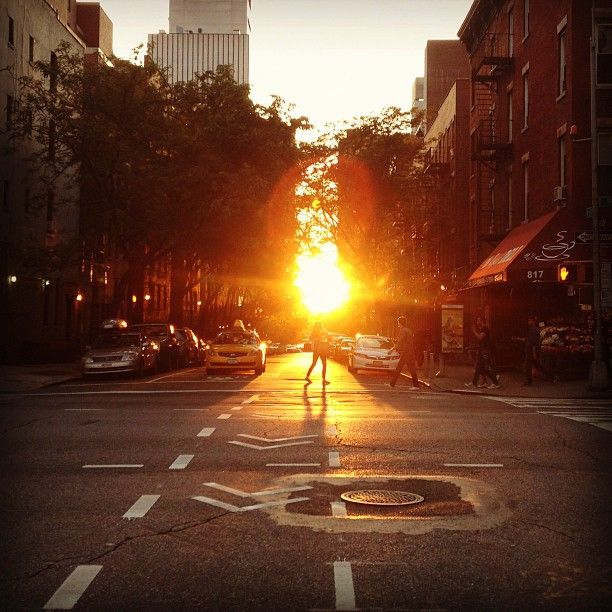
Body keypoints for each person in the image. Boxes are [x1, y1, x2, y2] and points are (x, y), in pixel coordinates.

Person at [465, 316, 500, 389]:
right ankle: (475, 382)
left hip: (486, 351)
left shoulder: (485, 329)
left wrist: (474, 331)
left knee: (486, 368)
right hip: (482, 350)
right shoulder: (482, 329)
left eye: (478, 320)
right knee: (478, 367)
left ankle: (495, 382)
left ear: (482, 321)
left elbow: (480, 338)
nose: (477, 322)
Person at [389, 316, 419, 390]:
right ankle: (392, 384)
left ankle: (416, 386)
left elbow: (400, 341)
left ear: (400, 323)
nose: (398, 324)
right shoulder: (407, 330)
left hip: (407, 352)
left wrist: (392, 349)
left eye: (398, 322)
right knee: (406, 368)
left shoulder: (404, 330)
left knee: (404, 368)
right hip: (408, 351)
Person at [524, 315, 554, 386]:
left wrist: (534, 353)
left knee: (528, 366)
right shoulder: (534, 329)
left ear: (533, 321)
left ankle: (529, 381)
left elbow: (534, 342)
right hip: (530, 350)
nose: (528, 322)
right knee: (538, 366)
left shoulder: (534, 330)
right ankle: (551, 377)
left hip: (531, 351)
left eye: (529, 320)